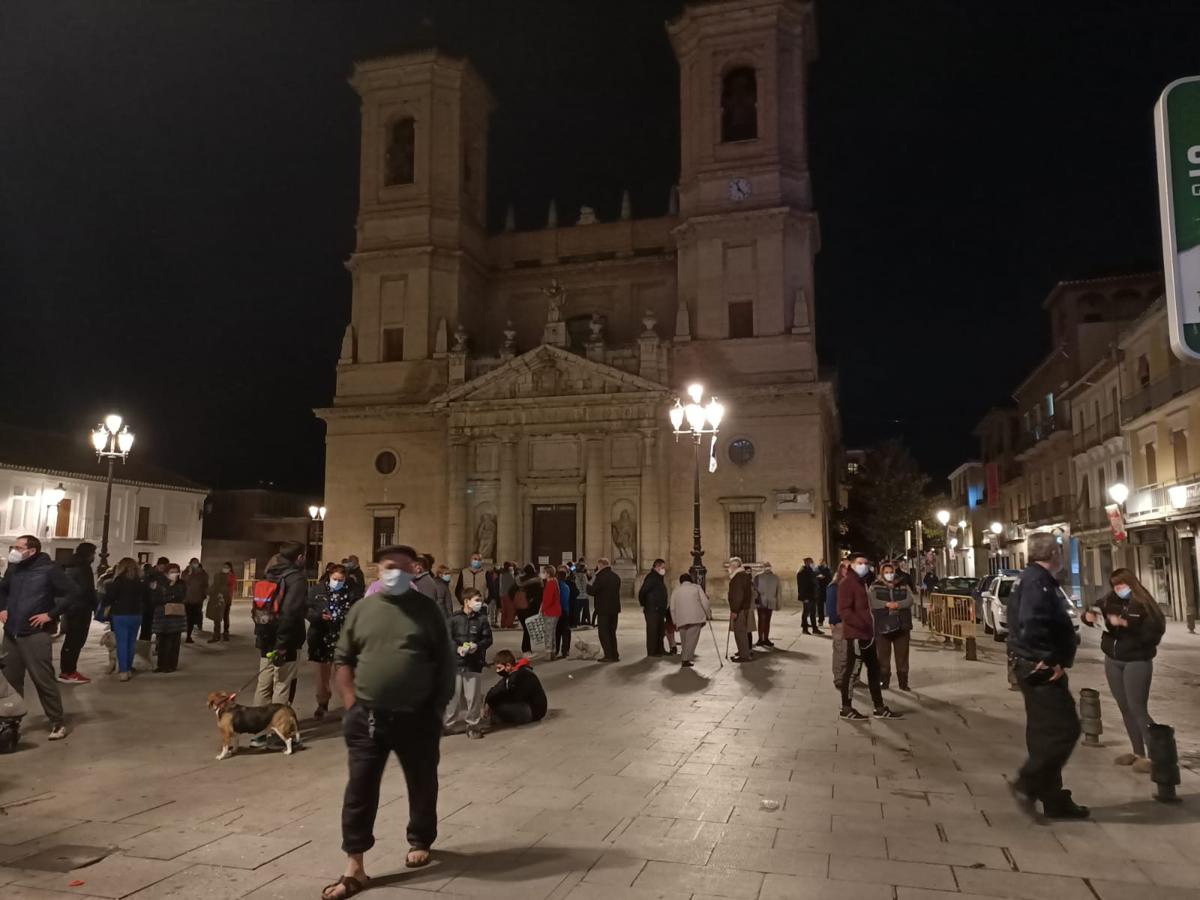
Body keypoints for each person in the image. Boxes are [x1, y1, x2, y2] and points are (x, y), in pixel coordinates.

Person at [324, 543, 455, 898]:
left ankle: (420, 838)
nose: (393, 572)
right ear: (378, 570)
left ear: (413, 569)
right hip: (367, 718)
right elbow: (344, 658)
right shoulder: (363, 609)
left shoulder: (427, 610)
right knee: (360, 790)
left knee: (422, 782)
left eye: (400, 566)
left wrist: (437, 707)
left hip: (417, 717)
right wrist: (351, 704)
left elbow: (445, 662)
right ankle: (355, 866)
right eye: (387, 566)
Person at [1007, 532, 1087, 819]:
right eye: (1060, 552)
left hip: (1032, 664)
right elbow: (1032, 622)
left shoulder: (1030, 578)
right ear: (1054, 553)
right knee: (1066, 729)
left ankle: (1053, 798)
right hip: (1040, 668)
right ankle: (1028, 783)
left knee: (1044, 733)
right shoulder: (1036, 582)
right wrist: (1049, 659)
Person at [1083, 568, 1165, 772]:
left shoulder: (1144, 604)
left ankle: (1159, 756)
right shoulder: (1109, 600)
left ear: (1131, 584)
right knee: (1124, 707)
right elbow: (1092, 611)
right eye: (1115, 586)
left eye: (1122, 585)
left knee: (1137, 708)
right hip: (1113, 659)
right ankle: (1138, 754)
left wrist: (1126, 624)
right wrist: (1089, 617)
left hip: (1137, 660)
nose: (1118, 589)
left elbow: (1154, 633)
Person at [0, 534, 80, 740]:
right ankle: (11, 724)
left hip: (35, 634)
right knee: (10, 682)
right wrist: (2, 608)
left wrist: (50, 615)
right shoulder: (14, 569)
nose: (14, 551)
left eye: (19, 547)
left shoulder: (49, 569)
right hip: (11, 633)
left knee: (43, 680)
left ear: (32, 551)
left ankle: (57, 722)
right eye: (14, 547)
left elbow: (73, 593)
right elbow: (2, 590)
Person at [837, 553, 901, 720]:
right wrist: (862, 624)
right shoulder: (847, 583)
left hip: (868, 634)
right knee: (852, 672)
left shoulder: (861, 583)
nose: (863, 566)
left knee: (874, 670)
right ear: (851, 565)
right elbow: (844, 611)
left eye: (865, 563)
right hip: (858, 635)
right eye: (859, 563)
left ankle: (879, 707)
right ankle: (846, 708)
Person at [253, 542, 309, 708]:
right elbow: (290, 613)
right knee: (282, 683)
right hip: (287, 640)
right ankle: (277, 727)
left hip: (265, 636)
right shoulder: (296, 578)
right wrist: (282, 644)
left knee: (263, 683)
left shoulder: (269, 573)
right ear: (299, 557)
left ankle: (260, 727)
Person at [307, 563, 361, 719]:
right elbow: (307, 610)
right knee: (322, 675)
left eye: (341, 579)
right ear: (329, 577)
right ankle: (322, 703)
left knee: (345, 674)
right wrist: (318, 616)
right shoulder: (317, 591)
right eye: (334, 579)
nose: (337, 582)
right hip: (322, 638)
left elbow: (358, 609)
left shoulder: (352, 592)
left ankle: (350, 706)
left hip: (343, 638)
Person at [445, 587, 493, 739]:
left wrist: (477, 646)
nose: (480, 603)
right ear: (466, 601)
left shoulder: (482, 619)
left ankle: (473, 724)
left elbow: (488, 639)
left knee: (473, 696)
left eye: (480, 600)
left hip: (473, 663)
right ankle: (448, 724)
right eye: (477, 600)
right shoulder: (453, 619)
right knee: (453, 696)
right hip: (455, 663)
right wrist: (457, 648)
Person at [870, 562, 916, 691]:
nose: (889, 574)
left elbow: (910, 600)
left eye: (891, 572)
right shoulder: (875, 586)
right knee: (883, 656)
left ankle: (903, 682)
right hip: (882, 625)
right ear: (882, 573)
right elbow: (873, 602)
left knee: (902, 656)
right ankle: (884, 681)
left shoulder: (903, 585)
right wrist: (887, 604)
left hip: (902, 625)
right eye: (886, 572)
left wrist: (898, 605)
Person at [104, 558, 148, 681]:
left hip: (121, 614)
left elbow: (109, 597)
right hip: (137, 614)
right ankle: (128, 668)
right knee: (132, 642)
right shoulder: (140, 581)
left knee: (122, 643)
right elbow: (146, 597)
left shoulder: (118, 580)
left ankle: (123, 671)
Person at [59, 541, 98, 685]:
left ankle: (67, 670)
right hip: (81, 608)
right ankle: (69, 672)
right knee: (76, 640)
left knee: (71, 640)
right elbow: (87, 589)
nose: (94, 556)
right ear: (88, 554)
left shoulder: (70, 566)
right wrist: (95, 605)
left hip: (71, 607)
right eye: (93, 553)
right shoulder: (83, 568)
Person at [484, 649, 547, 727]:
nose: (497, 671)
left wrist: (494, 702)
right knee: (496, 702)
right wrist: (488, 702)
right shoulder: (512, 674)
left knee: (498, 708)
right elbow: (496, 689)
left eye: (499, 668)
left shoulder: (523, 675)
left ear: (508, 666)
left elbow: (515, 696)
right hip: (528, 707)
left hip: (534, 710)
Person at [151, 562, 187, 673]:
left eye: (176, 572)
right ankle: (161, 665)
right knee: (161, 641)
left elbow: (180, 596)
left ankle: (171, 665)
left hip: (175, 616)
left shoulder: (181, 584)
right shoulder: (160, 583)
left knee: (173, 642)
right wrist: (168, 597)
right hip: (162, 616)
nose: (175, 574)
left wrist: (169, 595)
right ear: (166, 573)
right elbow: (155, 598)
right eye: (172, 572)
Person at [669, 573, 711, 668]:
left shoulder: (676, 590)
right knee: (691, 640)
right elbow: (705, 602)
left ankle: (685, 658)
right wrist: (708, 614)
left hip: (681, 619)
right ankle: (686, 659)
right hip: (695, 618)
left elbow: (672, 606)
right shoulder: (697, 588)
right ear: (690, 580)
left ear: (681, 581)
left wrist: (675, 621)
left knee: (684, 640)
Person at [589, 558, 622, 662]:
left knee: (603, 633)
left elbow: (591, 590)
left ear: (600, 565)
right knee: (612, 632)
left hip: (603, 609)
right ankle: (615, 655)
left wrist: (591, 579)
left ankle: (608, 655)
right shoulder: (616, 577)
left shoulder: (600, 577)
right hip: (614, 609)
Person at [725, 558, 755, 662]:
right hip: (744, 608)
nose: (728, 568)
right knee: (741, 632)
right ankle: (744, 653)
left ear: (734, 567)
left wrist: (734, 610)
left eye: (730, 566)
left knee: (740, 632)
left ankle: (744, 655)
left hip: (740, 609)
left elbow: (738, 596)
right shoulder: (744, 576)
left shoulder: (737, 577)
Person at [638, 559, 669, 657]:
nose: (664, 569)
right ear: (657, 567)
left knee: (660, 631)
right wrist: (645, 604)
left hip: (659, 609)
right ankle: (652, 651)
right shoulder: (651, 577)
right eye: (663, 567)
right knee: (653, 631)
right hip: (652, 609)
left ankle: (660, 650)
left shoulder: (659, 578)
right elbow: (642, 592)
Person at [754, 562, 781, 649]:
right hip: (761, 601)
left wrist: (778, 602)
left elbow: (778, 591)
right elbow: (754, 590)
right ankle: (761, 638)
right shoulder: (758, 577)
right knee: (762, 620)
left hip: (770, 601)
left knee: (766, 621)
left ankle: (765, 638)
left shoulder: (775, 577)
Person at [538, 565, 562, 659]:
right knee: (552, 632)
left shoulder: (551, 583)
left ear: (548, 574)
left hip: (551, 611)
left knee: (548, 633)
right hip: (554, 611)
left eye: (543, 572)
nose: (542, 574)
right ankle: (552, 652)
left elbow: (548, 600)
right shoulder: (554, 581)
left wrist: (542, 609)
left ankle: (549, 653)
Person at [207, 562, 234, 643]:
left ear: (230, 568)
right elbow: (215, 586)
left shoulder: (231, 576)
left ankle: (225, 634)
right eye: (224, 566)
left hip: (226, 599)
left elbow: (229, 587)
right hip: (218, 599)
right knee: (217, 618)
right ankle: (217, 635)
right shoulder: (218, 575)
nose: (225, 568)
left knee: (225, 617)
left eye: (227, 567)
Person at [183, 557, 208, 643]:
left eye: (196, 563)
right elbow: (183, 582)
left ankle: (195, 627)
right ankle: (188, 635)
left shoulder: (202, 573)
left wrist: (204, 594)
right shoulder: (186, 572)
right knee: (188, 617)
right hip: (187, 599)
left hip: (198, 599)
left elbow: (205, 584)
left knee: (195, 616)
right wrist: (189, 574)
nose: (195, 564)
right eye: (193, 563)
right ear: (190, 563)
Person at [797, 557, 822, 635]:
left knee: (813, 613)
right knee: (806, 612)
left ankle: (815, 628)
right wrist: (804, 597)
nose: (813, 563)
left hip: (813, 595)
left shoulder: (811, 571)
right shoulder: (802, 572)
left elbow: (813, 582)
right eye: (811, 562)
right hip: (807, 596)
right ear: (807, 563)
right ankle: (805, 629)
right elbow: (801, 586)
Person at [555, 567, 573, 659]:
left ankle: (556, 650)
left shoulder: (555, 586)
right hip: (564, 611)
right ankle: (565, 650)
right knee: (566, 631)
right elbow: (565, 600)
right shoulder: (566, 587)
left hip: (555, 611)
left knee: (557, 632)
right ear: (565, 577)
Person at [574, 561, 591, 627]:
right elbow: (587, 585)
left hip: (578, 596)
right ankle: (587, 621)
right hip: (585, 596)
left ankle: (577, 622)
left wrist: (575, 564)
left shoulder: (575, 575)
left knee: (577, 611)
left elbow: (571, 568)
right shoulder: (584, 576)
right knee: (586, 610)